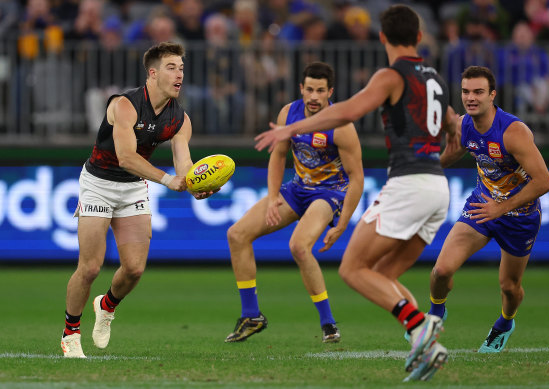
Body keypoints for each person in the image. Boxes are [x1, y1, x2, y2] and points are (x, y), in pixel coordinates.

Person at [255, 5, 456, 382]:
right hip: (438, 187)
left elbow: (347, 110)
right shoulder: (438, 80)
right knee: (384, 274)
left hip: (409, 184)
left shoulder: (392, 74)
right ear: (418, 37)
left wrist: (288, 129)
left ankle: (421, 325)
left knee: (351, 268)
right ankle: (424, 345)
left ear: (382, 37)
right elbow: (454, 132)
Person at [61, 42, 215, 358]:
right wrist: (167, 179)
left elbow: (183, 164)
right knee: (90, 268)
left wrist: (195, 184)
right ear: (153, 73)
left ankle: (106, 307)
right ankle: (70, 333)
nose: (179, 75)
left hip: (132, 188)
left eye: (182, 68)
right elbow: (126, 156)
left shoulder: (180, 119)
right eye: (172, 68)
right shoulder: (124, 105)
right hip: (98, 184)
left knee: (134, 269)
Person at [225, 62, 364, 344]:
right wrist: (274, 195)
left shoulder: (342, 126)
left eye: (320, 91)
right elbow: (278, 156)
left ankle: (328, 323)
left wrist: (343, 224)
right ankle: (252, 316)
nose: (314, 96)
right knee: (237, 234)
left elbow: (357, 178)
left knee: (299, 246)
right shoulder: (289, 113)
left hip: (330, 193)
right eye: (309, 89)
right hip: (297, 189)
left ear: (330, 93)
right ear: (301, 88)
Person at [429, 65, 549, 353]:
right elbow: (455, 151)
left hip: (519, 217)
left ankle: (505, 323)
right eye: (465, 92)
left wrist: (502, 208)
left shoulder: (513, 132)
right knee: (441, 271)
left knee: (510, 288)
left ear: (492, 95)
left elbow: (544, 181)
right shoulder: (465, 125)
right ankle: (436, 314)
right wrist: (424, 168)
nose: (471, 98)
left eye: (478, 92)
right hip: (482, 206)